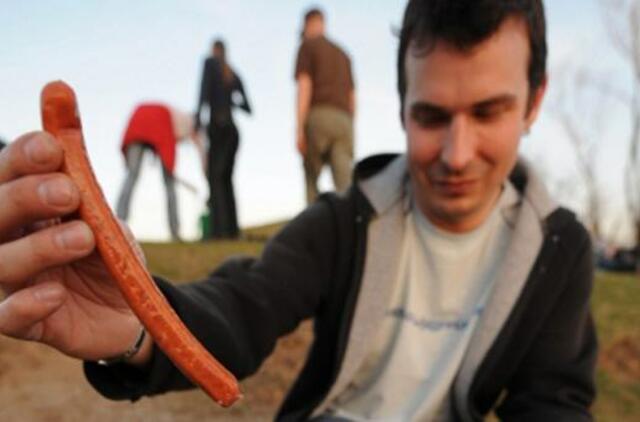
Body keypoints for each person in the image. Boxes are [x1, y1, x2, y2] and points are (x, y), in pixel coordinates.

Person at [0, 1, 597, 420]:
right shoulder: (345, 222)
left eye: (489, 112)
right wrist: (136, 329)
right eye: (431, 116)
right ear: (400, 106)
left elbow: (552, 404)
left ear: (534, 101)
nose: (456, 154)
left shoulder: (558, 250)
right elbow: (246, 304)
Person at [116, 103, 205, 241]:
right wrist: (170, 168)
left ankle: (116, 227)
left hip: (137, 119)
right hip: (150, 124)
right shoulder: (188, 124)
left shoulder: (176, 115)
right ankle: (175, 232)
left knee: (131, 176)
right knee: (169, 184)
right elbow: (198, 151)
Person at [295, 8, 356, 204]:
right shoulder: (343, 54)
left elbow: (304, 86)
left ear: (307, 24)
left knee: (311, 177)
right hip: (344, 120)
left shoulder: (307, 46)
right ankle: (351, 230)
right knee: (345, 184)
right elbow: (353, 97)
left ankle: (312, 230)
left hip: (319, 116)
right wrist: (351, 125)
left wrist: (299, 129)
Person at [195, 39, 252, 239]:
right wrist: (233, 103)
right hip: (233, 132)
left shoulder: (210, 63)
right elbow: (248, 107)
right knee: (226, 180)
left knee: (215, 178)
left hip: (219, 130)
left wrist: (197, 117)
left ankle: (219, 232)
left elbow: (202, 92)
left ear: (214, 50)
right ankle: (231, 231)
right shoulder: (233, 74)